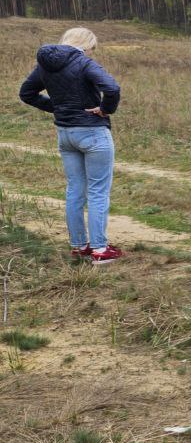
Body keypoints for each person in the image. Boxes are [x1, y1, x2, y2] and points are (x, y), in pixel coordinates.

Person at [19, 27, 123, 265]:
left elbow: (27, 93)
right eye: (91, 48)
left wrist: (57, 107)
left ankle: (79, 246)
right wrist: (106, 109)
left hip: (65, 134)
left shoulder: (45, 64)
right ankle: (99, 249)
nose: (91, 52)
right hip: (93, 132)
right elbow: (112, 88)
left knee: (75, 189)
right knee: (97, 191)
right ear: (86, 45)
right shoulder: (84, 63)